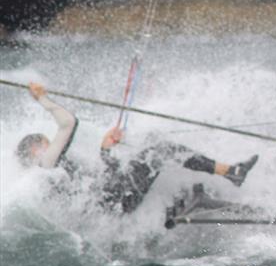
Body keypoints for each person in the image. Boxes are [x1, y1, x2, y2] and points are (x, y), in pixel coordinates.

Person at [16, 82, 259, 212]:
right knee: (157, 152)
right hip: (119, 200)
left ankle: (187, 200)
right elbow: (69, 122)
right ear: (35, 151)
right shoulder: (46, 165)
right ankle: (231, 173)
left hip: (115, 200)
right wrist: (42, 98)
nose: (50, 145)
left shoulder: (52, 175)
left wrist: (105, 151)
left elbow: (98, 184)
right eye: (44, 143)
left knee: (151, 150)